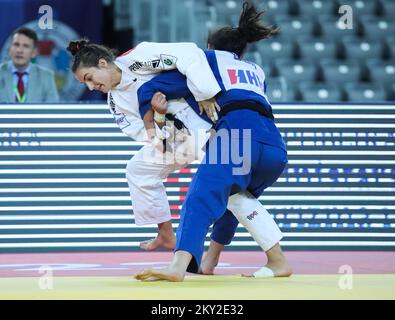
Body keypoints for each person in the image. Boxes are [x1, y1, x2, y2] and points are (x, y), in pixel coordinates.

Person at [67, 35, 287, 271]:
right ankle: (165, 232)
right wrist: (159, 120)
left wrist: (205, 93)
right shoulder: (114, 102)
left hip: (206, 124)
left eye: (89, 78)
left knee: (232, 193)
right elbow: (142, 133)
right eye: (85, 84)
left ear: (102, 63)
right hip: (174, 138)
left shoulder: (139, 58)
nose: (91, 87)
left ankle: (218, 259)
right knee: (138, 168)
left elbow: (189, 53)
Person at [134, 1, 292, 282]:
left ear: (209, 45)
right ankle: (217, 260)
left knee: (199, 198)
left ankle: (177, 267)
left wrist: (152, 113)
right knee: (238, 200)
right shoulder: (257, 70)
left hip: (238, 137)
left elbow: (152, 86)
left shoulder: (205, 60)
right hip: (275, 145)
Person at [0, 27, 59, 103]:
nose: (19, 50)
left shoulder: (46, 76)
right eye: (16, 45)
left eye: (26, 46)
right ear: (9, 49)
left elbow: (53, 111)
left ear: (34, 52)